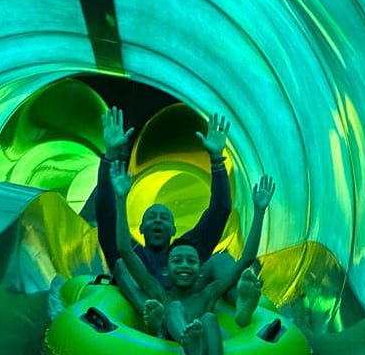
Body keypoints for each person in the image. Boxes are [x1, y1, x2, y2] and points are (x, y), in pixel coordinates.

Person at [110, 160, 276, 355]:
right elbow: (122, 249)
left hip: (200, 346)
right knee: (174, 308)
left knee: (209, 318)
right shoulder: (159, 292)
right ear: (167, 271)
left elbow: (245, 258)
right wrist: (120, 198)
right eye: (177, 261)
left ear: (200, 272)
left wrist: (259, 211)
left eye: (190, 261)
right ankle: (187, 340)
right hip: (169, 337)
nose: (184, 265)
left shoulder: (208, 293)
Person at [92, 107, 263, 332]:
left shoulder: (185, 252)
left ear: (174, 229)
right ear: (140, 227)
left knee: (221, 260)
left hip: (190, 297)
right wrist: (110, 156)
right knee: (121, 266)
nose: (157, 221)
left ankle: (240, 303)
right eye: (151, 217)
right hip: (152, 301)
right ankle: (153, 317)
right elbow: (105, 214)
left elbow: (220, 210)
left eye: (164, 218)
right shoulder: (134, 252)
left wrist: (216, 158)